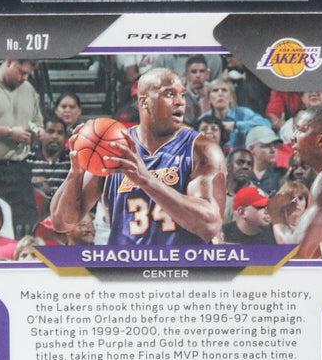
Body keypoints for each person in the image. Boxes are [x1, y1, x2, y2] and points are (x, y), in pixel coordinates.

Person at [51, 68, 226, 245]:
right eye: (169, 94)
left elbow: (210, 225)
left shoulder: (201, 149)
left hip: (179, 261)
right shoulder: (113, 146)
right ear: (144, 102)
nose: (180, 101)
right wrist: (75, 174)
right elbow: (62, 222)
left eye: (182, 94)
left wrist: (146, 180)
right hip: (128, 260)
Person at [271, 105, 322, 258]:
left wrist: (276, 215)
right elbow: (315, 252)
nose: (293, 137)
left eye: (300, 130)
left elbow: (295, 254)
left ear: (321, 140)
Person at [0, 58, 43, 238]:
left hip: (20, 167)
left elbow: (37, 121)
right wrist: (9, 132)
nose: (25, 78)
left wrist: (38, 132)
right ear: (10, 62)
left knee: (27, 221)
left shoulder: (29, 89)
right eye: (22, 72)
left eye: (28, 74)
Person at [198, 78, 270, 151]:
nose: (220, 94)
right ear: (209, 99)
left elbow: (266, 124)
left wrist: (236, 125)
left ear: (231, 98)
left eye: (224, 90)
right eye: (215, 90)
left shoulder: (243, 113)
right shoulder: (203, 119)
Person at [27, 113, 71, 216]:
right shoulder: (29, 157)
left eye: (60, 133)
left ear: (65, 137)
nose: (55, 136)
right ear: (42, 134)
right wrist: (36, 184)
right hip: (34, 213)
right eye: (50, 132)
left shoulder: (72, 160)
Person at [246, 126, 286, 196]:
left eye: (275, 146)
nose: (273, 150)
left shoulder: (283, 173)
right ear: (252, 149)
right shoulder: (242, 174)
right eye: (267, 146)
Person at [222, 149, 254, 226]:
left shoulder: (261, 197)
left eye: (249, 164)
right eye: (240, 163)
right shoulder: (214, 193)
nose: (245, 167)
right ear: (228, 166)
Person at [183, 55, 211, 126]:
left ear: (207, 74)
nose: (198, 75)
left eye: (202, 71)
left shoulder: (215, 91)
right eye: (194, 72)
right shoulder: (181, 94)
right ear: (186, 75)